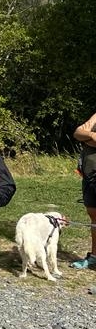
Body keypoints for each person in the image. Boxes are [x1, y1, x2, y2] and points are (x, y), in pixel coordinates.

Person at [72, 111, 96, 269]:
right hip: (89, 175)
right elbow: (78, 133)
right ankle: (94, 257)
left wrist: (89, 137)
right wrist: (92, 136)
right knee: (94, 216)